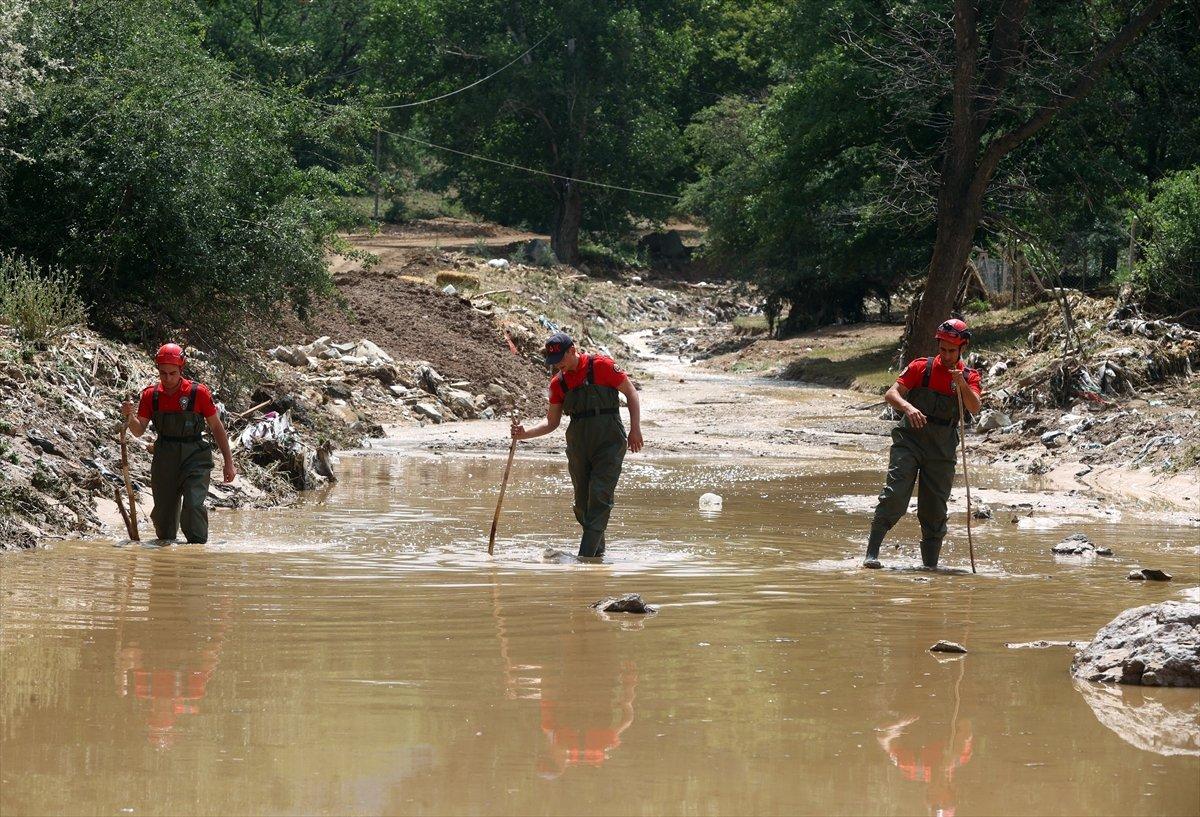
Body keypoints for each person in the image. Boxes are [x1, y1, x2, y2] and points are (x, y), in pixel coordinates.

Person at [511, 332, 644, 559]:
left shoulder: (602, 366)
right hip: (578, 446)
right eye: (553, 362)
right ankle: (597, 554)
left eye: (560, 359)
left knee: (600, 497)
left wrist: (635, 429)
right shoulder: (558, 383)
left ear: (572, 350)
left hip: (609, 442)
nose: (558, 366)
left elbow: (631, 393)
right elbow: (551, 422)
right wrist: (524, 434)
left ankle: (584, 559)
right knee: (582, 505)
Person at [864, 319, 981, 569]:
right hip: (910, 442)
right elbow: (891, 394)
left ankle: (930, 567)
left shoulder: (969, 376)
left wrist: (961, 384)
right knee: (894, 496)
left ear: (963, 348)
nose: (946, 356)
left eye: (952, 351)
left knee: (934, 510)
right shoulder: (921, 367)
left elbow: (974, 407)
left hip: (942, 448)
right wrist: (908, 407)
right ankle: (871, 555)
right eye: (943, 349)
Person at [120, 343, 236, 544]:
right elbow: (139, 431)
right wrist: (129, 417)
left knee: (193, 506)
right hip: (164, 458)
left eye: (172, 373)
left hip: (195, 457)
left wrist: (229, 462)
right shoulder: (151, 395)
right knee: (164, 521)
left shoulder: (198, 393)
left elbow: (217, 427)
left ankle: (196, 552)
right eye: (163, 373)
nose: (167, 378)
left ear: (181, 369)